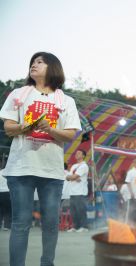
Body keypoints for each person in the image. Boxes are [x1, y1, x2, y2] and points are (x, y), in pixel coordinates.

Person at [0, 52, 81, 266]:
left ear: (53, 67)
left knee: (51, 223)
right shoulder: (19, 94)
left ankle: (47, 263)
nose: (34, 65)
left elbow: (71, 134)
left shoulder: (66, 101)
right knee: (21, 223)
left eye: (40, 62)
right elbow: (8, 128)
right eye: (32, 62)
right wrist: (27, 127)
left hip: (51, 170)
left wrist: (50, 128)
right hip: (21, 168)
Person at [66, 149, 89, 233]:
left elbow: (73, 177)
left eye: (79, 153)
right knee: (73, 211)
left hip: (80, 192)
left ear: (83, 156)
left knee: (81, 210)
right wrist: (73, 177)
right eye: (76, 153)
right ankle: (76, 227)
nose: (77, 154)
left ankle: (84, 227)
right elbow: (69, 177)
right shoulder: (73, 166)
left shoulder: (84, 166)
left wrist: (73, 177)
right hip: (72, 192)